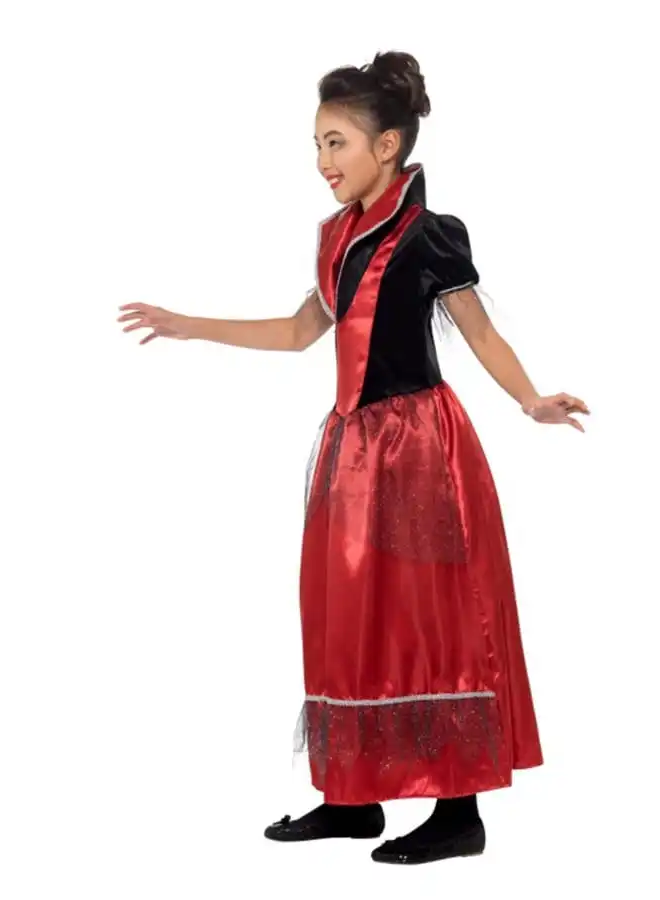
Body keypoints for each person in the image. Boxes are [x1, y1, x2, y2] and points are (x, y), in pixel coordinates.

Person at [117, 50, 589, 865]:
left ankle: (458, 810)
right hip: (353, 448)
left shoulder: (430, 235)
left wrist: (530, 400)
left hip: (421, 446)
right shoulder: (336, 238)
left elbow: (480, 334)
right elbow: (302, 332)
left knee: (429, 614)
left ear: (388, 145)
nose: (322, 160)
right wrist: (190, 325)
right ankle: (352, 797)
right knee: (348, 613)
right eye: (317, 143)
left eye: (336, 142)